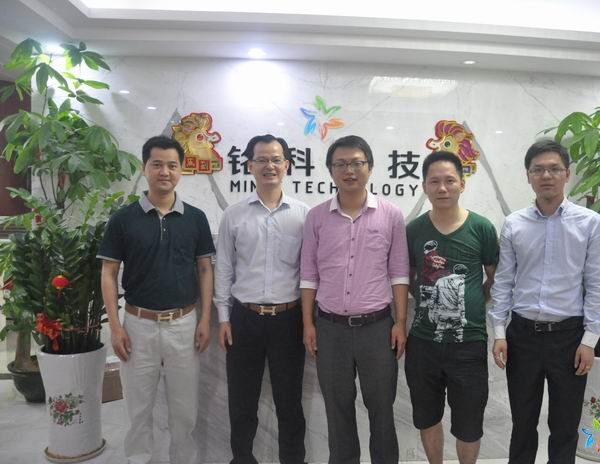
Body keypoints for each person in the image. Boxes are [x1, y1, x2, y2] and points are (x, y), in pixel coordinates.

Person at [490, 139, 600, 464]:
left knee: (565, 426)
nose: (546, 175)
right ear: (528, 175)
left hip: (569, 338)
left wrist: (589, 340)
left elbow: (598, 283)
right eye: (538, 169)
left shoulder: (589, 223)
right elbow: (504, 281)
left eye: (554, 169)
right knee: (522, 423)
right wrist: (499, 333)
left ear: (567, 174)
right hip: (522, 337)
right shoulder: (514, 223)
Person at [99, 136, 215, 464]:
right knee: (138, 410)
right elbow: (108, 273)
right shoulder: (123, 219)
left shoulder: (195, 218)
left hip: (184, 324)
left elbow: (205, 269)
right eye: (157, 164)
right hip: (138, 325)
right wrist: (116, 327)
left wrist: (205, 319)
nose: (165, 171)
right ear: (144, 168)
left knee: (184, 411)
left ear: (181, 170)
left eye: (172, 165)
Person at [300, 135, 409, 464]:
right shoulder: (317, 217)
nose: (349, 170)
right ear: (331, 171)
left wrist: (400, 322)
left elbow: (399, 272)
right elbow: (309, 274)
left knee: (381, 408)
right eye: (341, 164)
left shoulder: (391, 215)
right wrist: (308, 324)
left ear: (370, 168)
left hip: (377, 328)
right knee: (337, 410)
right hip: (330, 328)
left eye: (356, 163)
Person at [215, 134, 308, 464]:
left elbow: (310, 273)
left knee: (290, 404)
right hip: (244, 319)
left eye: (276, 159)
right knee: (242, 404)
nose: (270, 165)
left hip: (289, 320)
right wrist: (223, 318)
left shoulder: (304, 214)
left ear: (287, 165)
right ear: (250, 166)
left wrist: (308, 321)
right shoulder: (234, 214)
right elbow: (224, 268)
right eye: (262, 160)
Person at [405, 151, 499, 464]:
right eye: (434, 182)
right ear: (424, 187)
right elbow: (408, 278)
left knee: (469, 424)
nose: (442, 188)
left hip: (469, 343)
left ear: (462, 184)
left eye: (449, 181)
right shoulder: (414, 230)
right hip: (423, 343)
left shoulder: (481, 227)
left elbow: (494, 278)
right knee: (426, 416)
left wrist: (474, 299)